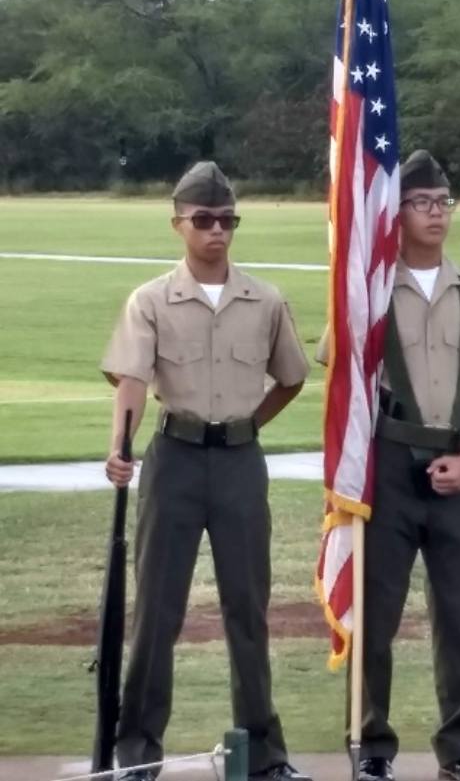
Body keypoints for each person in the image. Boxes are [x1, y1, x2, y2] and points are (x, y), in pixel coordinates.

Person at [102, 161, 312, 781]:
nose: (216, 230)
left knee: (248, 610)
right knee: (157, 612)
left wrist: (247, 424)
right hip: (176, 461)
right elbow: (133, 380)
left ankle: (264, 754)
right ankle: (139, 751)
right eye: (203, 219)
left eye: (227, 219)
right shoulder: (151, 301)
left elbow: (292, 378)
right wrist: (122, 445)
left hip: (241, 463)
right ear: (178, 224)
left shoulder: (265, 299)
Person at [331, 150, 460, 781]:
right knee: (378, 611)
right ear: (397, 211)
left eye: (443, 202)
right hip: (389, 461)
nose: (435, 214)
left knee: (456, 615)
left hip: (455, 460)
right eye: (421, 202)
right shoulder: (373, 289)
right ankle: (372, 745)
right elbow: (341, 373)